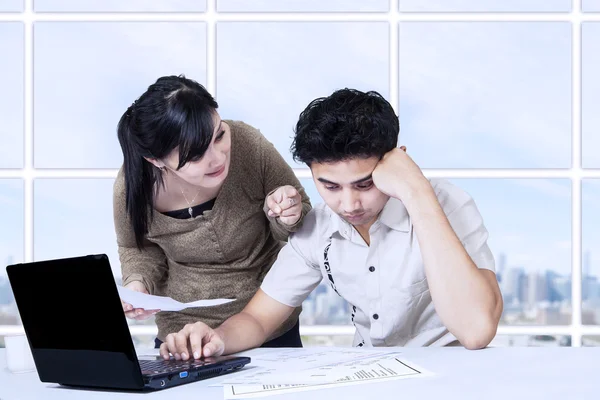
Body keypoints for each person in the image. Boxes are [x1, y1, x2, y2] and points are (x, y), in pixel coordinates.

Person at [158, 88, 504, 360]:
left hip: (452, 378)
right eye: (330, 186)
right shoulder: (318, 229)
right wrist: (216, 339)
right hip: (371, 375)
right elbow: (259, 319)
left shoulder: (444, 204)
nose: (349, 204)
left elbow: (476, 331)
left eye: (365, 184)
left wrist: (415, 191)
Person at [113, 75, 311, 351]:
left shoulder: (249, 144)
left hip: (269, 322)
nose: (218, 158)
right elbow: (137, 248)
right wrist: (138, 284)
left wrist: (285, 214)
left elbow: (301, 216)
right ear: (155, 160)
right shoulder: (132, 186)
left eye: (219, 135)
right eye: (195, 155)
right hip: (183, 334)